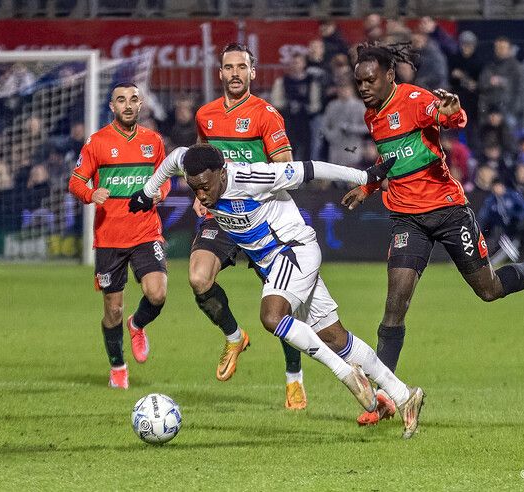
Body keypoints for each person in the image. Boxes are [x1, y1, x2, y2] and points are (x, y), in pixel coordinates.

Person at [342, 43, 524, 426]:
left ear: (390, 75)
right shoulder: (373, 114)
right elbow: (390, 157)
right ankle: (386, 395)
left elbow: (447, 119)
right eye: (358, 81)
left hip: (447, 211)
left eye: (369, 80)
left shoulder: (415, 99)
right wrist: (369, 187)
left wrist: (452, 111)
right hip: (408, 219)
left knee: (488, 289)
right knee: (395, 304)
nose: (363, 87)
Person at [129, 143, 426, 439]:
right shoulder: (192, 164)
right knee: (335, 337)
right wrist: (146, 191)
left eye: (205, 187)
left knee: (271, 316)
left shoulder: (253, 178)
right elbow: (172, 159)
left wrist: (364, 178)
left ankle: (346, 374)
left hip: (294, 250)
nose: (201, 196)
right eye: (194, 189)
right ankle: (404, 395)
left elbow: (310, 168)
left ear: (222, 173)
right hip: (275, 263)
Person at [192, 43, 308, 410]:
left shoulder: (266, 114)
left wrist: (249, 183)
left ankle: (294, 380)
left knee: (281, 306)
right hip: (222, 216)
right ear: (221, 73)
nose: (236, 73)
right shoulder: (206, 116)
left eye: (242, 66)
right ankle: (234, 336)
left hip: (263, 219)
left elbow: (286, 168)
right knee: (198, 278)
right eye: (229, 67)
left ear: (253, 72)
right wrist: (200, 190)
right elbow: (199, 161)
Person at [68, 82, 170, 390]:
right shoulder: (97, 142)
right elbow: (75, 182)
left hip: (145, 232)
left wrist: (159, 194)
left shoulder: (153, 141)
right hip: (110, 238)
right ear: (112, 107)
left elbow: (164, 180)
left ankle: (137, 324)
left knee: (158, 293)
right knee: (112, 309)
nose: (128, 105)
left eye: (134, 99)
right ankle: (118, 367)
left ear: (141, 105)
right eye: (121, 100)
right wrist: (90, 193)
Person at [477, 178, 524, 266]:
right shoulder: (491, 200)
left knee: (515, 244)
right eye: (495, 186)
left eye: (499, 186)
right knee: (496, 240)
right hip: (502, 230)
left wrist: (518, 218)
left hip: (515, 228)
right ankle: (489, 261)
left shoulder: (512, 196)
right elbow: (484, 215)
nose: (497, 189)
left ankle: (515, 259)